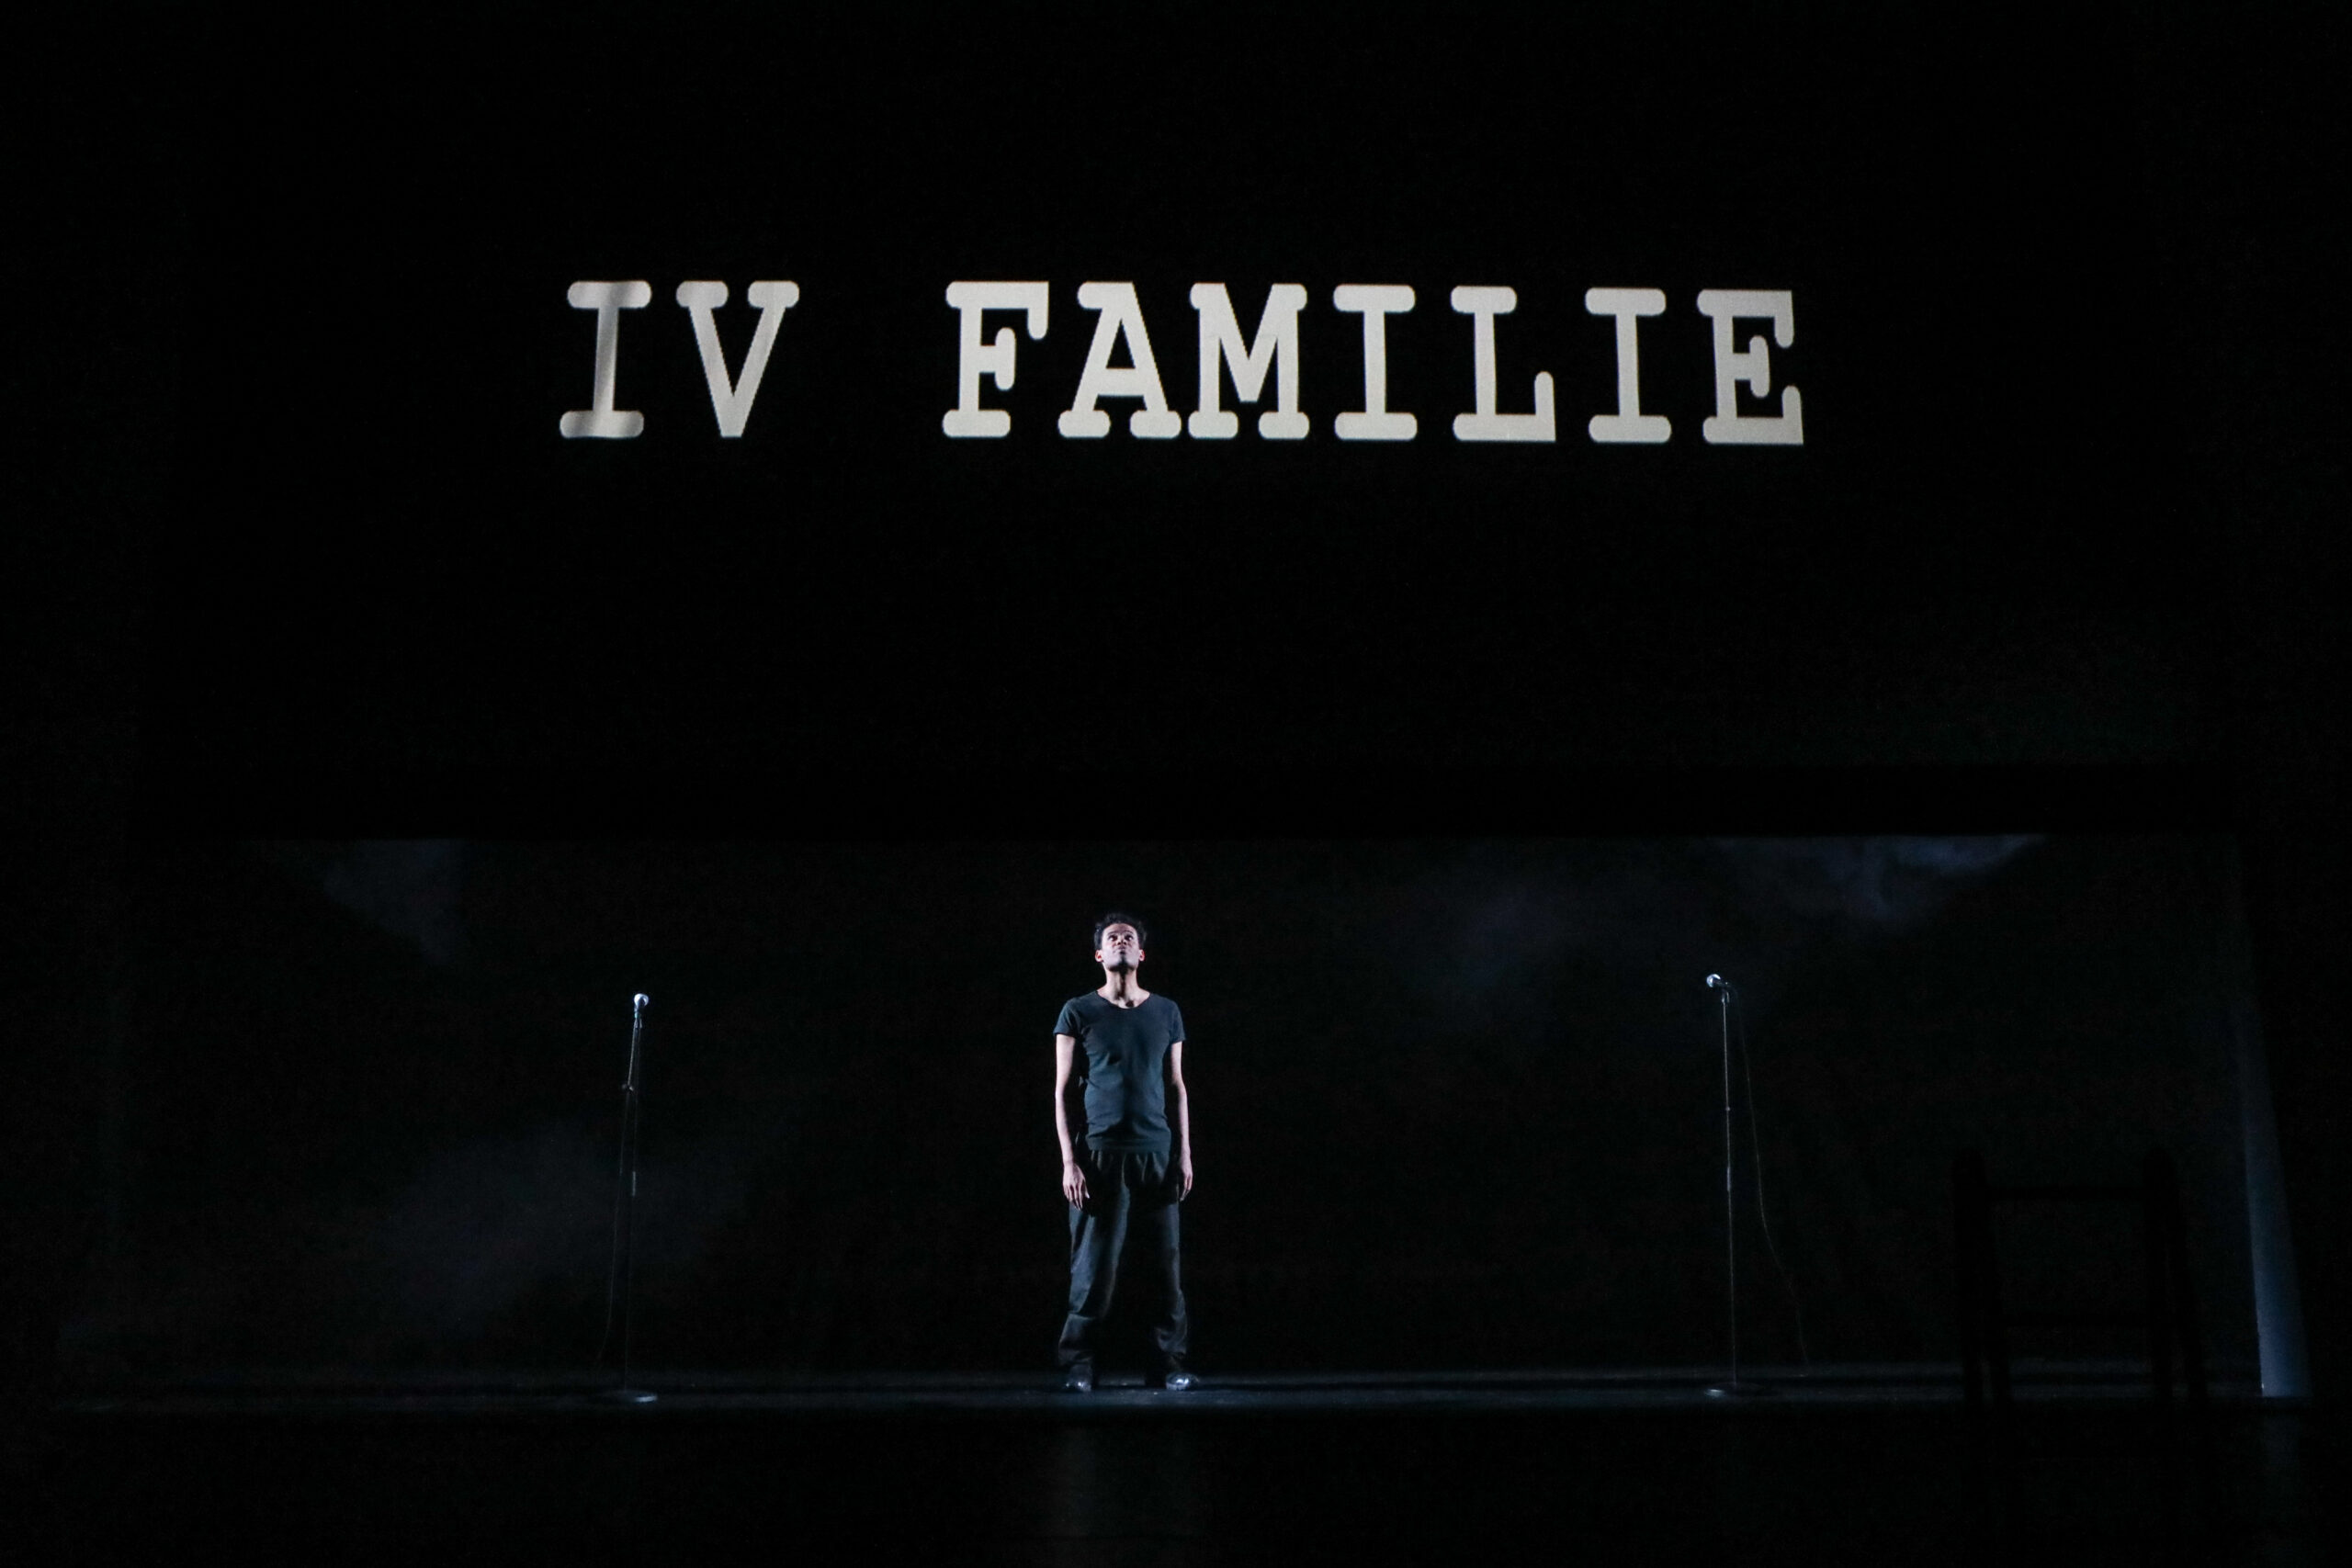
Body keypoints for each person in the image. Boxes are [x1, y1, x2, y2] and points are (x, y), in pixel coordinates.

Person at [1052, 913, 1194, 1392]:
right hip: (1099, 1154)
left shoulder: (1166, 1012)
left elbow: (1176, 1087)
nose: (1120, 941)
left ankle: (1168, 1364)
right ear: (1099, 955)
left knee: (1164, 1267)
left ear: (1141, 954)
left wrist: (1184, 1153)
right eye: (1111, 938)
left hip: (1155, 1152)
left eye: (1128, 937)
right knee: (1093, 1268)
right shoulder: (1078, 1011)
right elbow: (1062, 1091)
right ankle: (1079, 1364)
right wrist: (1069, 1162)